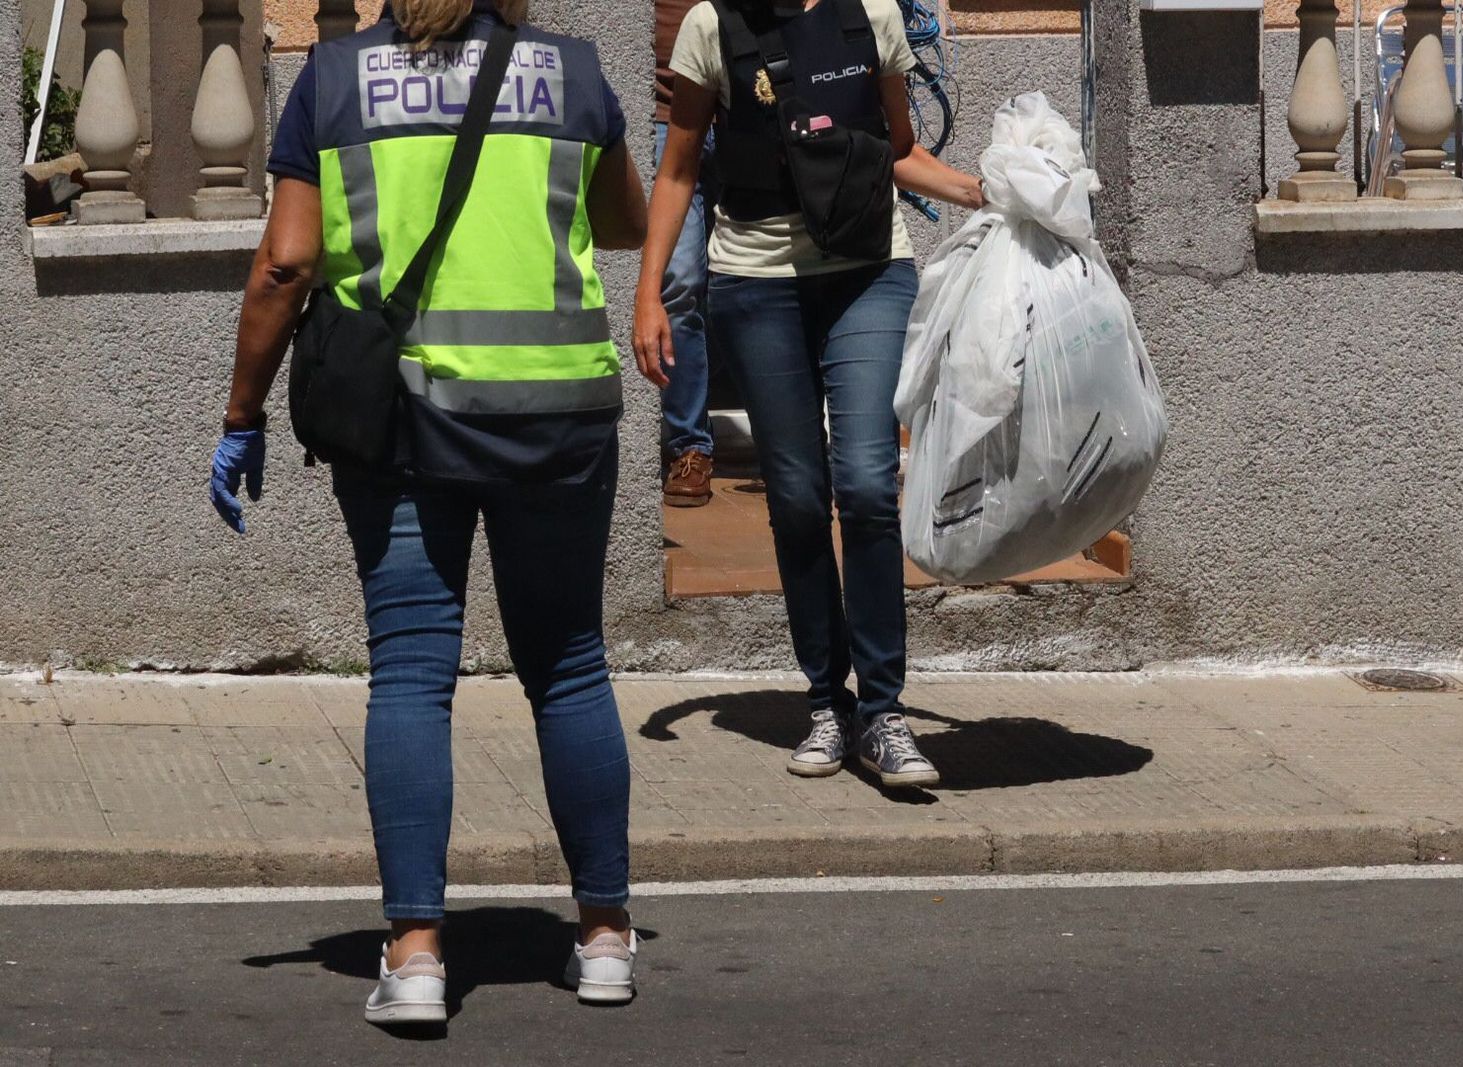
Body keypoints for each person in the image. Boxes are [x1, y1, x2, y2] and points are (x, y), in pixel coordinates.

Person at [207, 0, 648, 1025]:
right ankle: (604, 936)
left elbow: (285, 263)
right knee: (570, 663)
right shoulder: (572, 73)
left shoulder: (334, 79)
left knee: (412, 670)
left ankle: (413, 954)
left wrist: (243, 410)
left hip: (409, 420)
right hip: (558, 414)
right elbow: (622, 219)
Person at [634, 0, 985, 789]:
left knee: (864, 483)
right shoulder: (709, 26)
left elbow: (897, 148)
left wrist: (983, 193)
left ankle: (885, 711)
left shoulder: (875, 16)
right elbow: (680, 169)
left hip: (869, 275)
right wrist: (649, 292)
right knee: (796, 496)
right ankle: (830, 703)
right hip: (755, 285)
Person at [654, 0, 719, 508]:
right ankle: (689, 446)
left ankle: (803, 442)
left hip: (753, 110)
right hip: (666, 116)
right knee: (678, 280)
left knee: (781, 273)